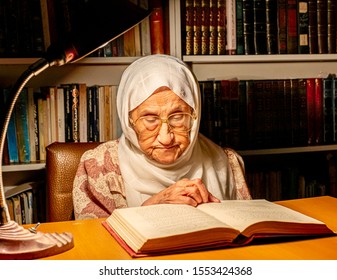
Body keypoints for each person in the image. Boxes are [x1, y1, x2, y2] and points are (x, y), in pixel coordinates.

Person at [73, 54, 251, 220]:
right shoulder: (99, 167)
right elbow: (96, 246)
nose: (166, 138)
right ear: (129, 121)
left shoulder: (228, 163)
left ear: (194, 115)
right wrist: (154, 205)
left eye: (178, 117)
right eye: (150, 119)